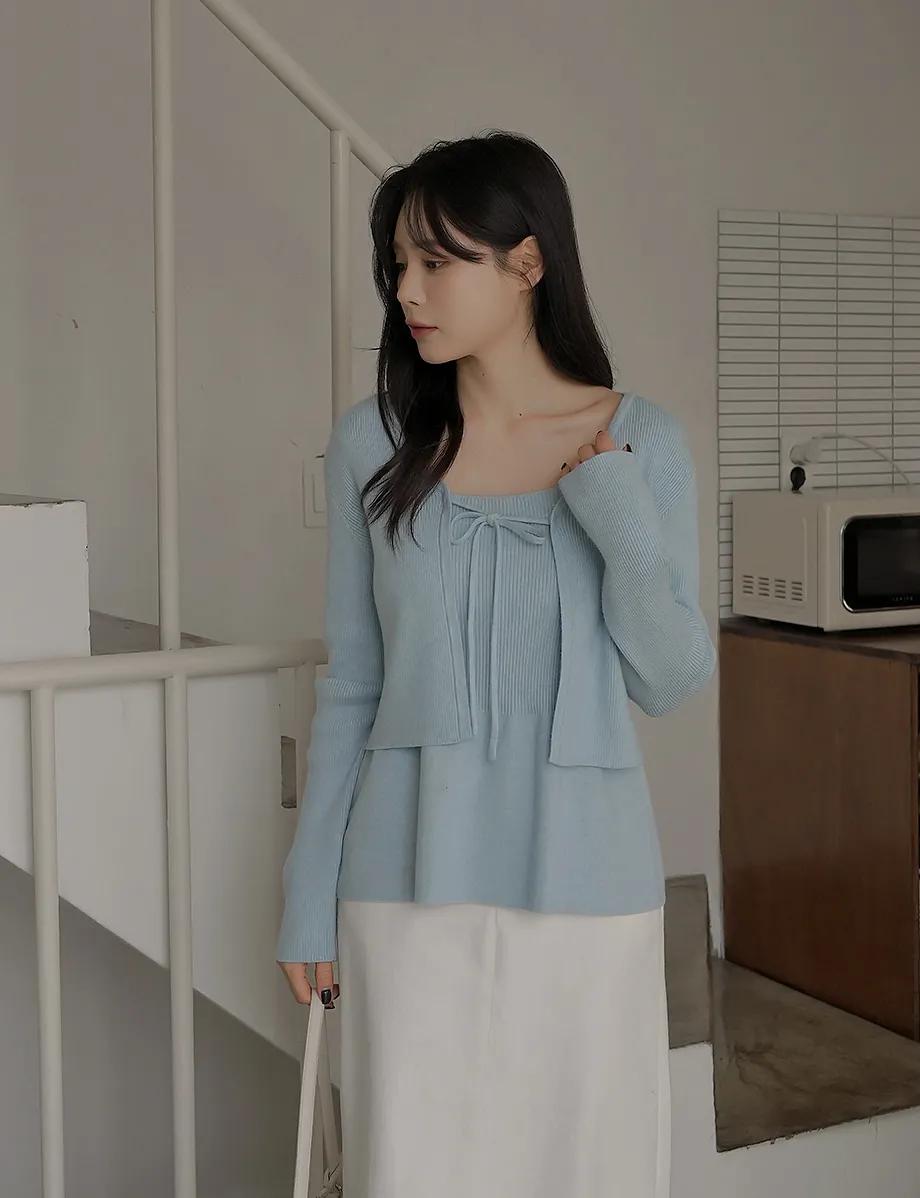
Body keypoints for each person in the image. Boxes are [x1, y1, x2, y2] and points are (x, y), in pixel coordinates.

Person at [276, 129, 715, 1198]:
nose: (406, 290)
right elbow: (353, 685)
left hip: (590, 885)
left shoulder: (640, 442)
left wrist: (613, 509)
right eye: (398, 263)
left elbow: (669, 679)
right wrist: (307, 890)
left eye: (436, 261)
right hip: (403, 882)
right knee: (413, 1169)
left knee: (586, 1170)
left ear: (527, 263)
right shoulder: (372, 445)